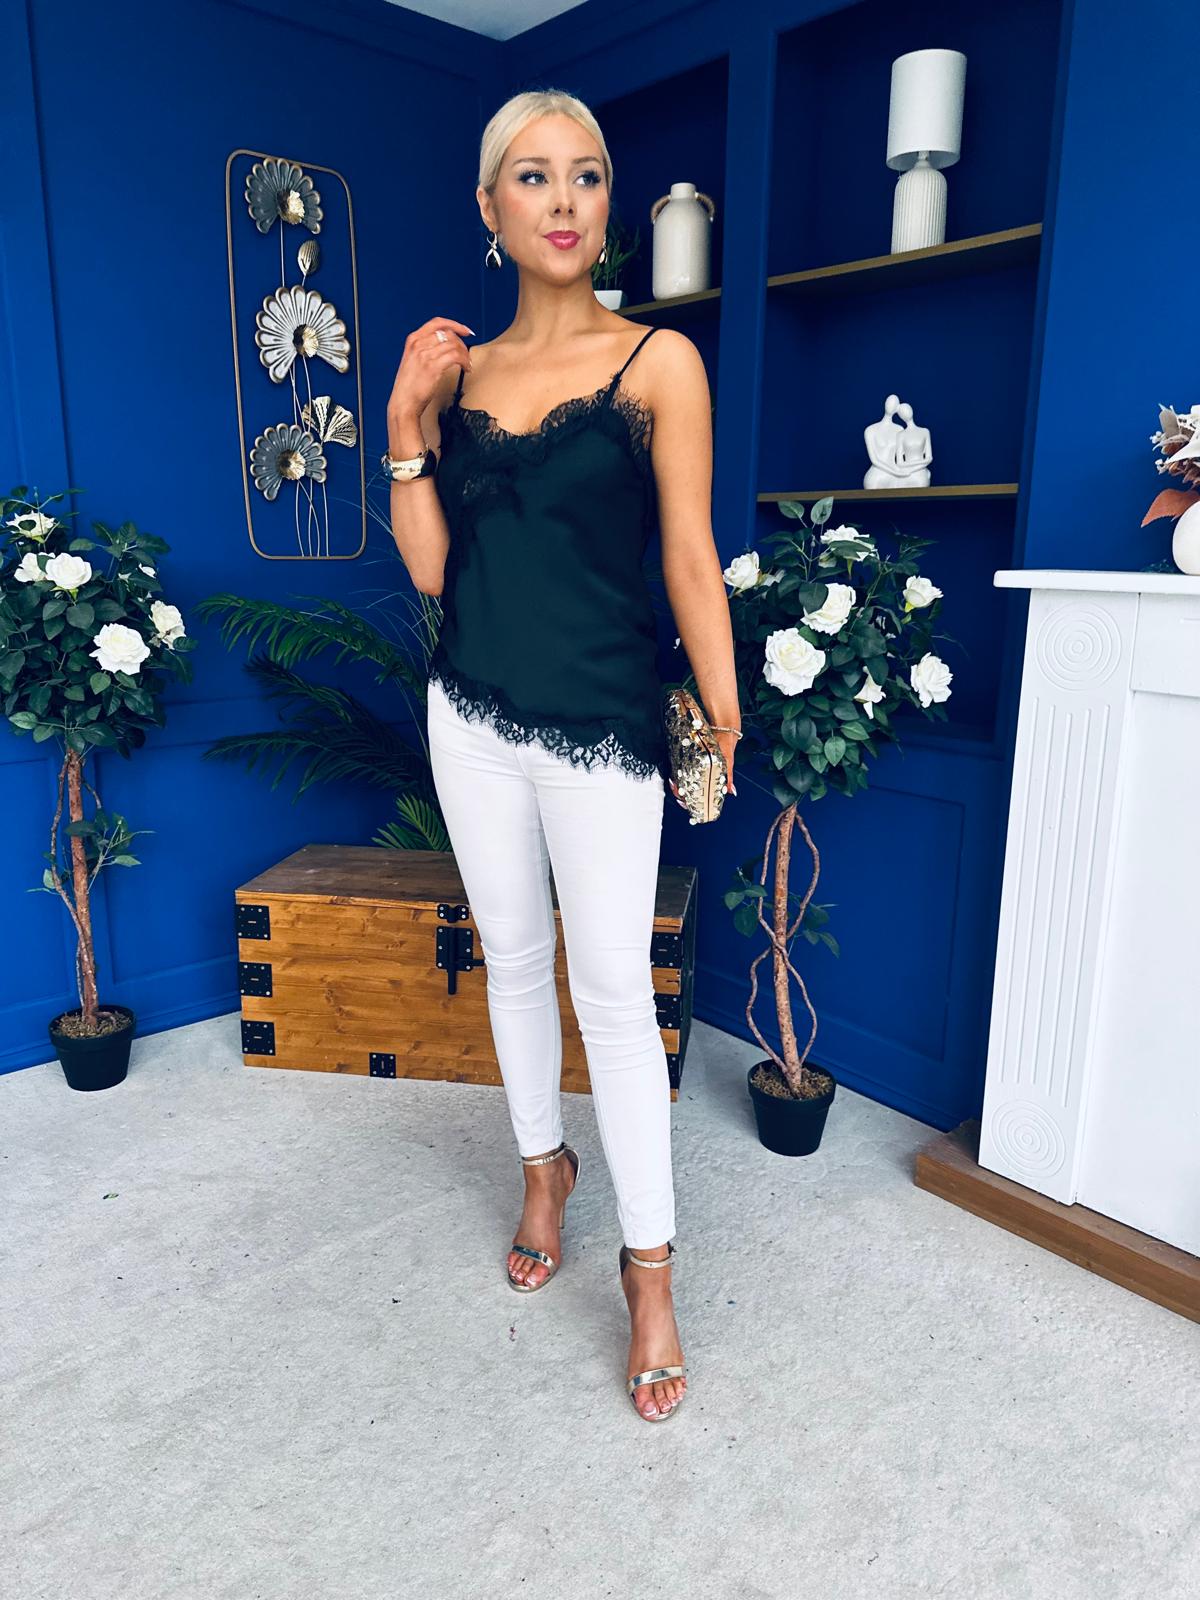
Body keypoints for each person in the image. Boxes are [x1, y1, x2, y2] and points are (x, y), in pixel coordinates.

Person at [383, 88, 741, 1423]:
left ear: (607, 203)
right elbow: (435, 574)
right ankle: (545, 1169)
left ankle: (651, 1272)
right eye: (532, 177)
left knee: (616, 995)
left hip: (602, 723)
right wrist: (407, 428)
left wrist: (722, 712)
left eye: (586, 175)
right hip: (469, 713)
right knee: (515, 963)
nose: (565, 200)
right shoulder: (460, 372)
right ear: (490, 209)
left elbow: (689, 554)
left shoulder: (658, 363)